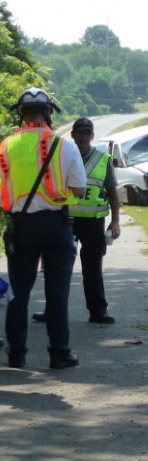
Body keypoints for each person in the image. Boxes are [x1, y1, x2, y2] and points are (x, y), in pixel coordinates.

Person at [0, 88, 87, 369]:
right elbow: (80, 189)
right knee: (57, 292)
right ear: (49, 112)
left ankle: (16, 354)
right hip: (57, 225)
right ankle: (59, 353)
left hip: (20, 227)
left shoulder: (5, 147)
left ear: (21, 114)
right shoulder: (65, 145)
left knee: (19, 293)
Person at [32, 118, 120, 325]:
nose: (83, 137)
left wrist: (115, 221)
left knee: (93, 269)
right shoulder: (62, 156)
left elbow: (113, 192)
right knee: (58, 269)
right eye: (79, 133)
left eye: (87, 133)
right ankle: (51, 310)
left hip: (94, 222)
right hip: (65, 220)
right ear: (72, 135)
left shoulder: (102, 159)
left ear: (92, 135)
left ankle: (98, 312)